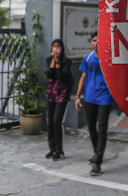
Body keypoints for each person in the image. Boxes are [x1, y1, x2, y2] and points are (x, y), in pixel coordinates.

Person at [76, 32, 113, 176]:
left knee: (102, 128)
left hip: (105, 97)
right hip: (90, 97)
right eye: (94, 40)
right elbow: (83, 77)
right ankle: (97, 152)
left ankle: (98, 163)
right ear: (91, 43)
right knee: (91, 127)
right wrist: (78, 96)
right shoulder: (88, 57)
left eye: (99, 40)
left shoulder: (109, 58)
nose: (96, 43)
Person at [44, 38, 73, 161]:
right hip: (51, 93)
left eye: (59, 47)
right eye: (54, 47)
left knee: (57, 121)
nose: (57, 49)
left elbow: (61, 76)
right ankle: (52, 148)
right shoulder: (48, 60)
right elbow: (50, 74)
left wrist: (57, 61)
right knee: (50, 121)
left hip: (62, 93)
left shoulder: (67, 61)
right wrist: (53, 61)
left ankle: (60, 150)